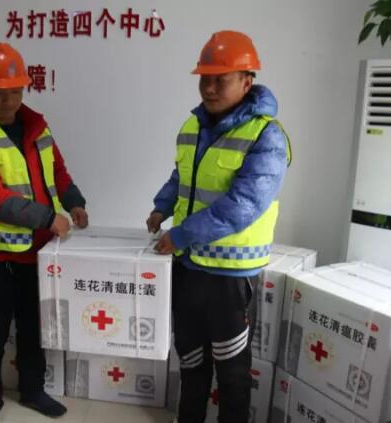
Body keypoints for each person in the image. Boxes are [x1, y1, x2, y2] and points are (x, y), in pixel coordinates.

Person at [147, 30, 291, 423]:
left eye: (220, 80)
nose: (209, 89)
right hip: (188, 268)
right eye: (204, 79)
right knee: (191, 362)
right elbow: (181, 177)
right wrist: (161, 207)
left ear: (246, 81)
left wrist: (179, 234)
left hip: (229, 277)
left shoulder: (267, 136)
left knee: (232, 373)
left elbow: (242, 206)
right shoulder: (192, 127)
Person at [0, 42, 88, 423]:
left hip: (36, 252)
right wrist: (48, 217)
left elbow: (57, 171)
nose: (9, 100)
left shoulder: (36, 126)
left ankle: (32, 390)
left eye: (15, 90)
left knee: (33, 326)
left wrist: (74, 202)